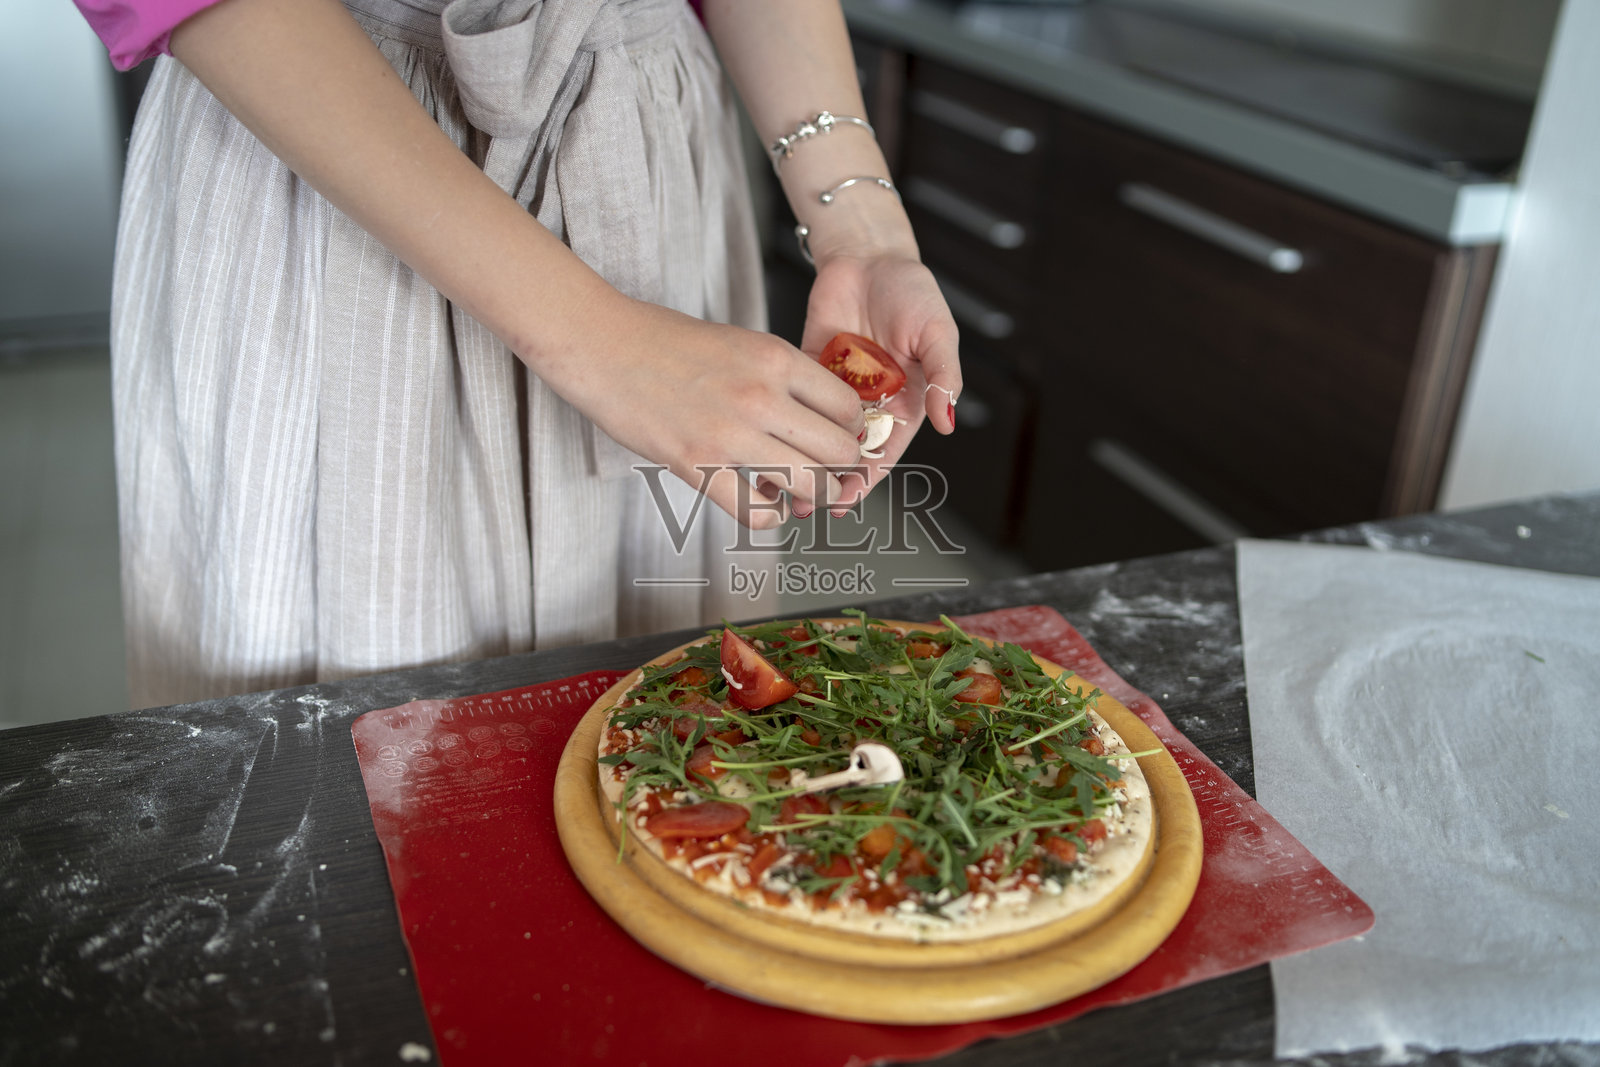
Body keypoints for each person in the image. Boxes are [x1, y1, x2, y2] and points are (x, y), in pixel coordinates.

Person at [74, 0, 962, 709]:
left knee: (665, 719)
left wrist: (864, 234)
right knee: (348, 762)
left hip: (649, 174)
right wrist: (604, 345)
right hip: (337, 166)